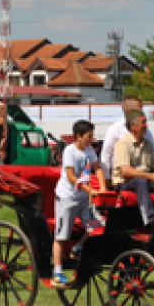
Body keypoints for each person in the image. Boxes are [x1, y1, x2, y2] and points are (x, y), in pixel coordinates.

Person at [51, 120, 107, 288]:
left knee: (98, 225)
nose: (92, 139)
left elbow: (97, 168)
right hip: (67, 197)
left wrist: (103, 187)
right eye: (89, 136)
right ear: (79, 136)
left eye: (92, 135)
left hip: (83, 198)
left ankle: (78, 247)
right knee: (61, 236)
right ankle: (57, 273)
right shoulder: (70, 151)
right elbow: (70, 176)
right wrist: (88, 189)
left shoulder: (89, 150)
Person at [112, 108, 154, 227]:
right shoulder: (123, 144)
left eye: (146, 122)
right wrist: (152, 176)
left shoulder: (148, 144)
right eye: (143, 122)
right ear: (133, 125)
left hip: (146, 179)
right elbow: (125, 172)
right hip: (125, 182)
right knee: (141, 181)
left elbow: (153, 169)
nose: (146, 125)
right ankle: (149, 219)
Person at [100, 96, 154, 181]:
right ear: (127, 110)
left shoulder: (145, 130)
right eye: (138, 109)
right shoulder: (115, 129)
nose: (141, 111)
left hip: (143, 172)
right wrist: (106, 178)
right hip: (123, 175)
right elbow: (106, 154)